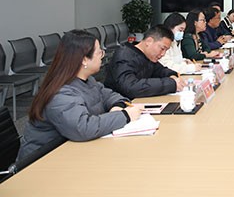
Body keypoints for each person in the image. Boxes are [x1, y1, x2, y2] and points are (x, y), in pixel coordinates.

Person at [17, 30, 142, 161]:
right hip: (40, 161)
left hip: (69, 151)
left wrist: (117, 106)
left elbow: (109, 95)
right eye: (99, 52)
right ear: (84, 60)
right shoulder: (60, 93)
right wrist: (125, 115)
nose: (102, 56)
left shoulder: (88, 80)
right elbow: (82, 128)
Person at [104, 25, 186, 99]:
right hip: (122, 105)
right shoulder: (124, 56)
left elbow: (161, 70)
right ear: (149, 41)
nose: (163, 54)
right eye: (162, 48)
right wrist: (171, 84)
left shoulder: (147, 56)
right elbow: (131, 87)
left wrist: (172, 76)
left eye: (166, 50)